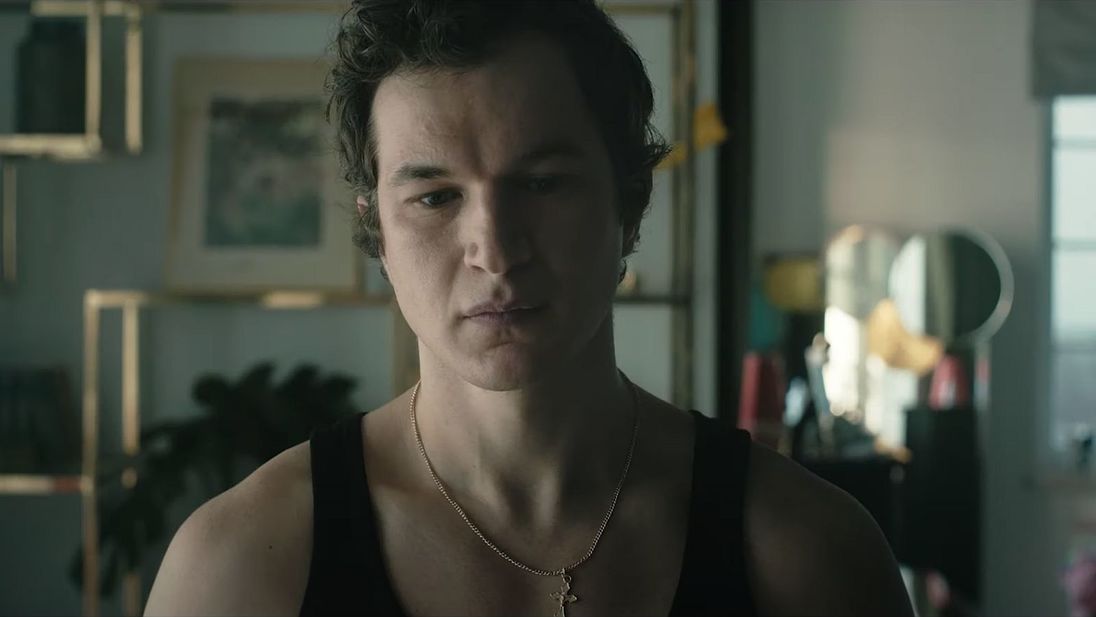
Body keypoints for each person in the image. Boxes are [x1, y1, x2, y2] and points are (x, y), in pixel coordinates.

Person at [145, 1, 914, 615]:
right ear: (377, 232)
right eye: (435, 197)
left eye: (542, 183)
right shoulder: (244, 566)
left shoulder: (807, 552)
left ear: (630, 205)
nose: (496, 249)